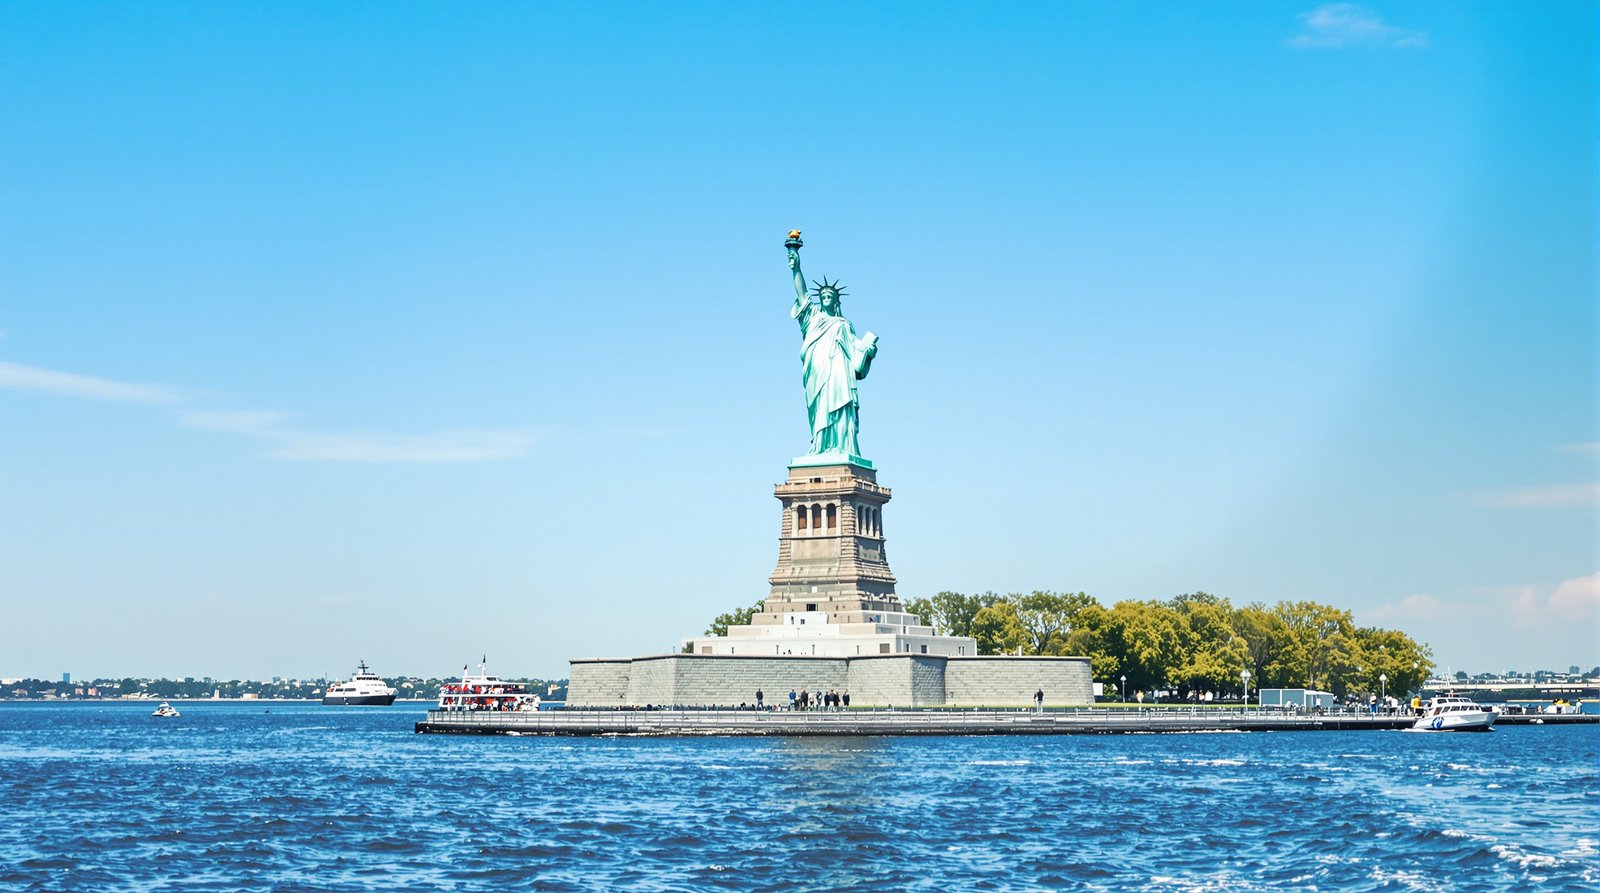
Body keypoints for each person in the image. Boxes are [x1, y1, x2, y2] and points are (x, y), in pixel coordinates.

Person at [787, 239, 878, 457]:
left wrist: (869, 352)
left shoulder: (843, 325)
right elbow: (802, 294)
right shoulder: (812, 317)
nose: (826, 298)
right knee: (819, 409)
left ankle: (842, 447)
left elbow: (858, 352)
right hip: (816, 372)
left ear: (836, 300)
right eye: (823, 296)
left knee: (840, 407)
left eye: (830, 296)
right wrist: (796, 267)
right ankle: (819, 446)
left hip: (839, 372)